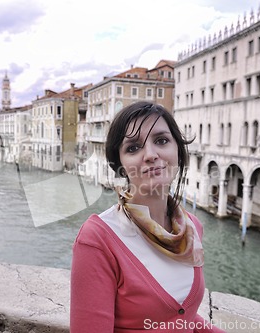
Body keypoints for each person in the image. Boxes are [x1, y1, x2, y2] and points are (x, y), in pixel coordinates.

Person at [70, 101, 225, 332]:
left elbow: (186, 318)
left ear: (178, 151)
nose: (151, 155)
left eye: (161, 141)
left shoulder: (192, 228)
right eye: (133, 148)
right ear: (120, 165)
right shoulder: (97, 240)